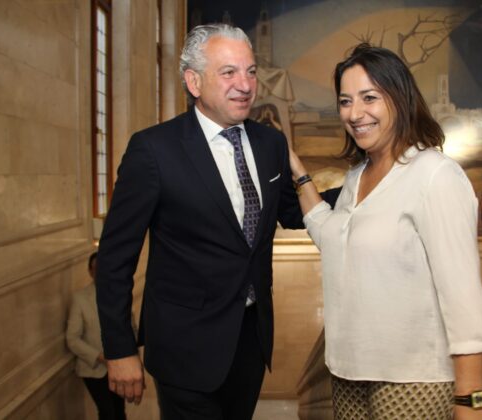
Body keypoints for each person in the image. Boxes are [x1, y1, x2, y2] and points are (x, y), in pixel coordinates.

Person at [95, 23, 338, 420]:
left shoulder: (269, 142)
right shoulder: (153, 150)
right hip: (183, 347)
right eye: (229, 73)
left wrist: (368, 186)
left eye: (251, 71)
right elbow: (114, 258)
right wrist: (120, 348)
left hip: (249, 341)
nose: (245, 85)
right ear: (193, 81)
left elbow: (292, 213)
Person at [287, 44, 482, 419]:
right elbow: (331, 234)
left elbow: (461, 290)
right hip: (348, 372)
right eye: (345, 101)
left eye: (369, 98)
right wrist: (299, 172)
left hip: (412, 379)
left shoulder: (435, 175)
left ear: (399, 98)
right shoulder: (356, 177)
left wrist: (471, 397)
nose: (355, 113)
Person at [66, 252, 126, 420]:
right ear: (90, 271)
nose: (100, 272)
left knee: (119, 412)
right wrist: (100, 357)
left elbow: (131, 328)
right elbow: (72, 339)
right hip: (93, 369)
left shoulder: (119, 296)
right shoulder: (80, 299)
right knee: (107, 413)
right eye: (96, 269)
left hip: (119, 367)